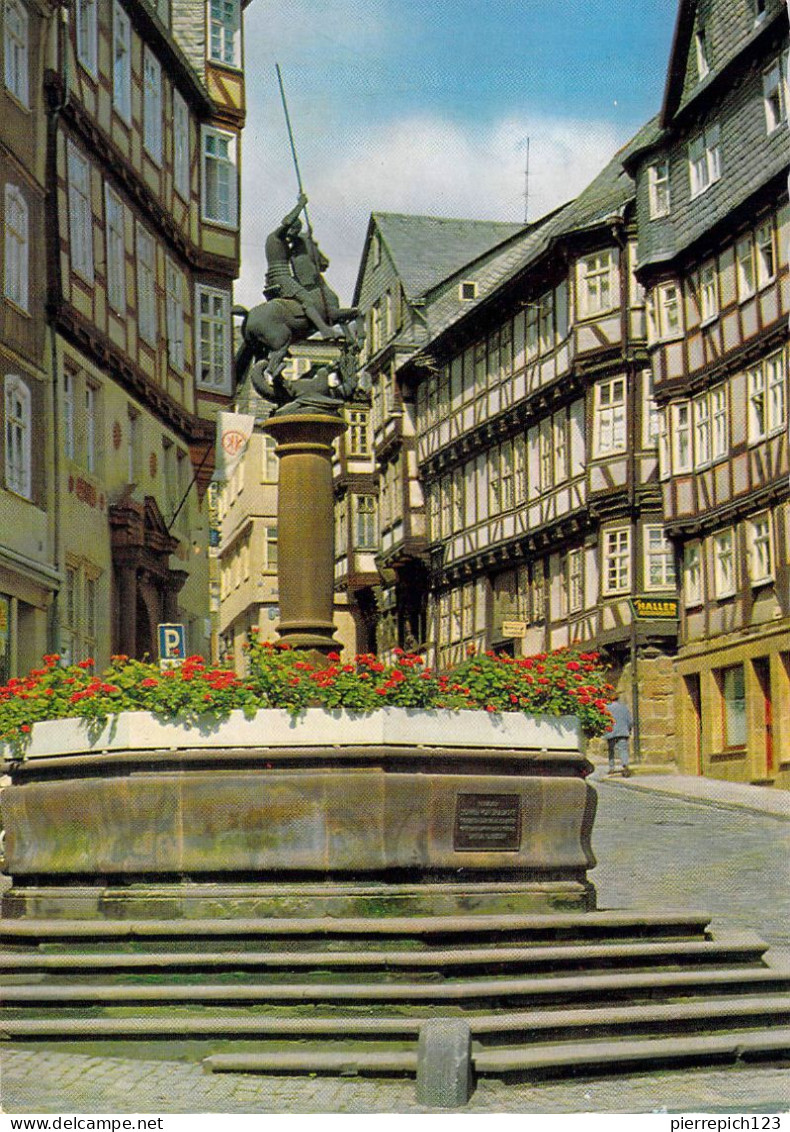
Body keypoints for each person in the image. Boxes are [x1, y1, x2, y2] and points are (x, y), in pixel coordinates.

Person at [604, 694, 633, 777]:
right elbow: (630, 720)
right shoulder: (624, 707)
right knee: (623, 749)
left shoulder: (607, 708)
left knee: (611, 750)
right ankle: (625, 765)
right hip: (623, 731)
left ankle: (611, 767)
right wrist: (629, 729)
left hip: (611, 731)